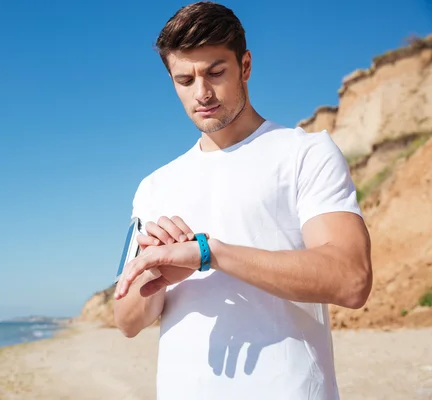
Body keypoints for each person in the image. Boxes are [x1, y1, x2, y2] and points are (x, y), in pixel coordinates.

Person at [112, 2, 373, 399]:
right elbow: (128, 321)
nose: (202, 94)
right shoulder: (154, 186)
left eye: (215, 72)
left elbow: (351, 278)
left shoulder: (305, 153)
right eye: (184, 80)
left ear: (245, 66)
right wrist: (157, 273)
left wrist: (208, 254)